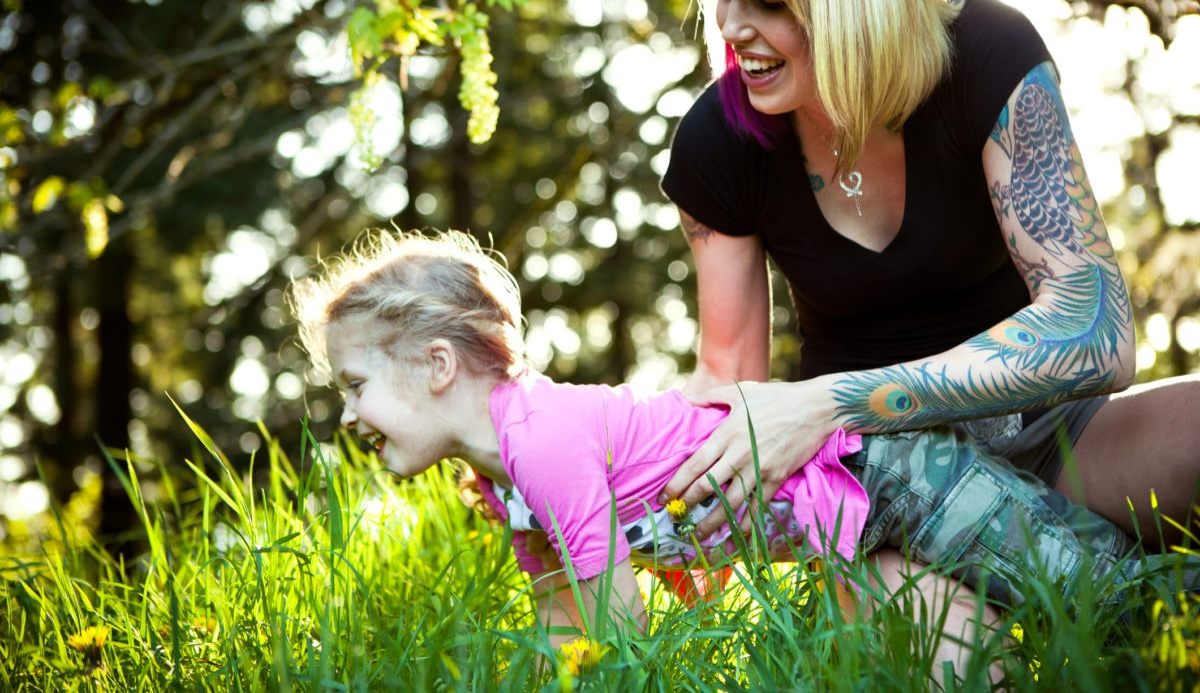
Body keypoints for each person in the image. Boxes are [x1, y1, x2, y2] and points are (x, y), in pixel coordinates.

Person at [288, 228, 1182, 662]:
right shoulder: (500, 480)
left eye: (357, 385)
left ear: (439, 364)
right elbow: (564, 614)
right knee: (1059, 611)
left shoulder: (543, 439)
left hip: (890, 473)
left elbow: (619, 620)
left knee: (1105, 593)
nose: (350, 414)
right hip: (857, 518)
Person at [659, 0, 1200, 555]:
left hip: (1058, 437)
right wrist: (578, 471)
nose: (732, 25)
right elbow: (725, 383)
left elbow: (1094, 330)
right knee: (945, 656)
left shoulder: (985, 50)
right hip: (879, 487)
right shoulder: (717, 141)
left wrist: (835, 401)